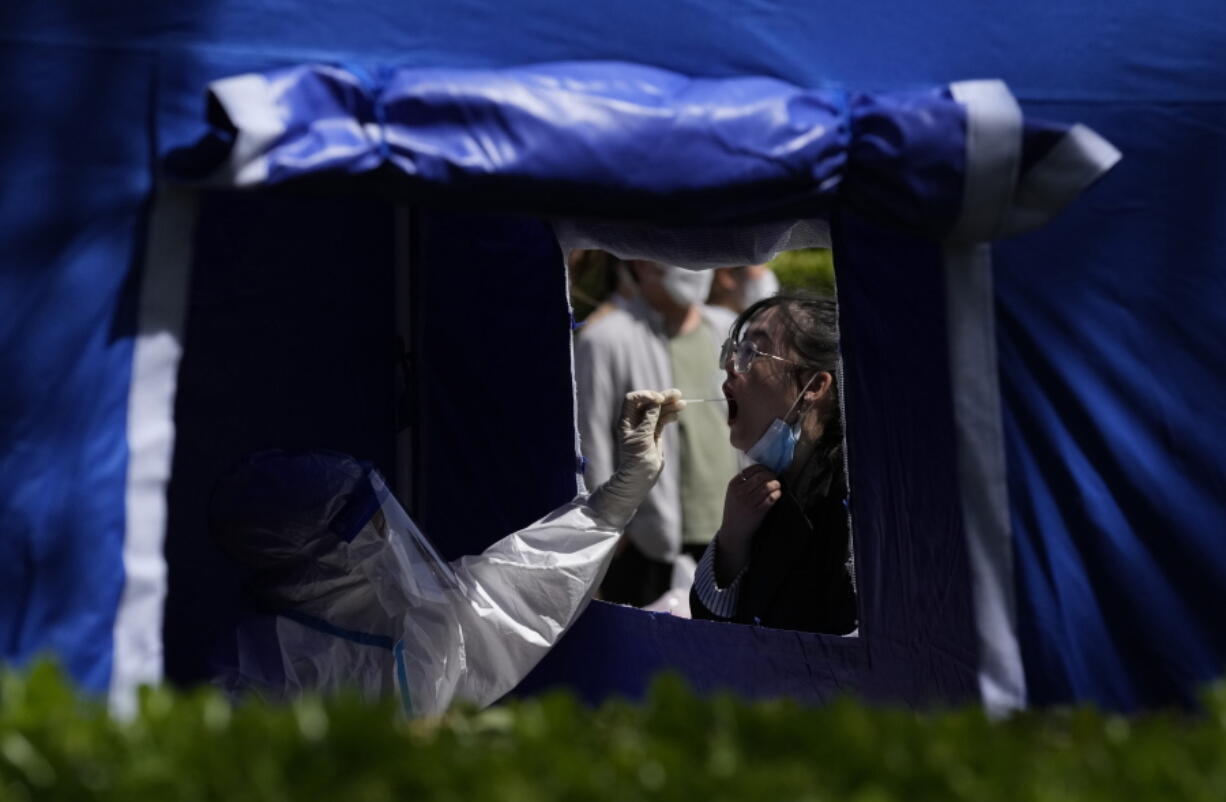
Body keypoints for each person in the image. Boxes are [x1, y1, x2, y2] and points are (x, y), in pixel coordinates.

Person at [211, 390, 683, 716]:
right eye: (365, 519)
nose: (386, 525)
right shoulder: (263, 669)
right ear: (315, 550)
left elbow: (515, 589)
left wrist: (617, 499)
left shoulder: (399, 610)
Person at [574, 259, 738, 608]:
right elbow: (590, 441)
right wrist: (614, 531)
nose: (693, 262)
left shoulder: (728, 330)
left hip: (730, 536)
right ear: (639, 262)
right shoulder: (604, 340)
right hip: (649, 547)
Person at [689, 292, 857, 634]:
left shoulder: (853, 502)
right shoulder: (765, 494)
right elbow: (711, 634)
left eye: (753, 352)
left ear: (813, 386)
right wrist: (732, 541)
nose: (730, 367)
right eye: (734, 352)